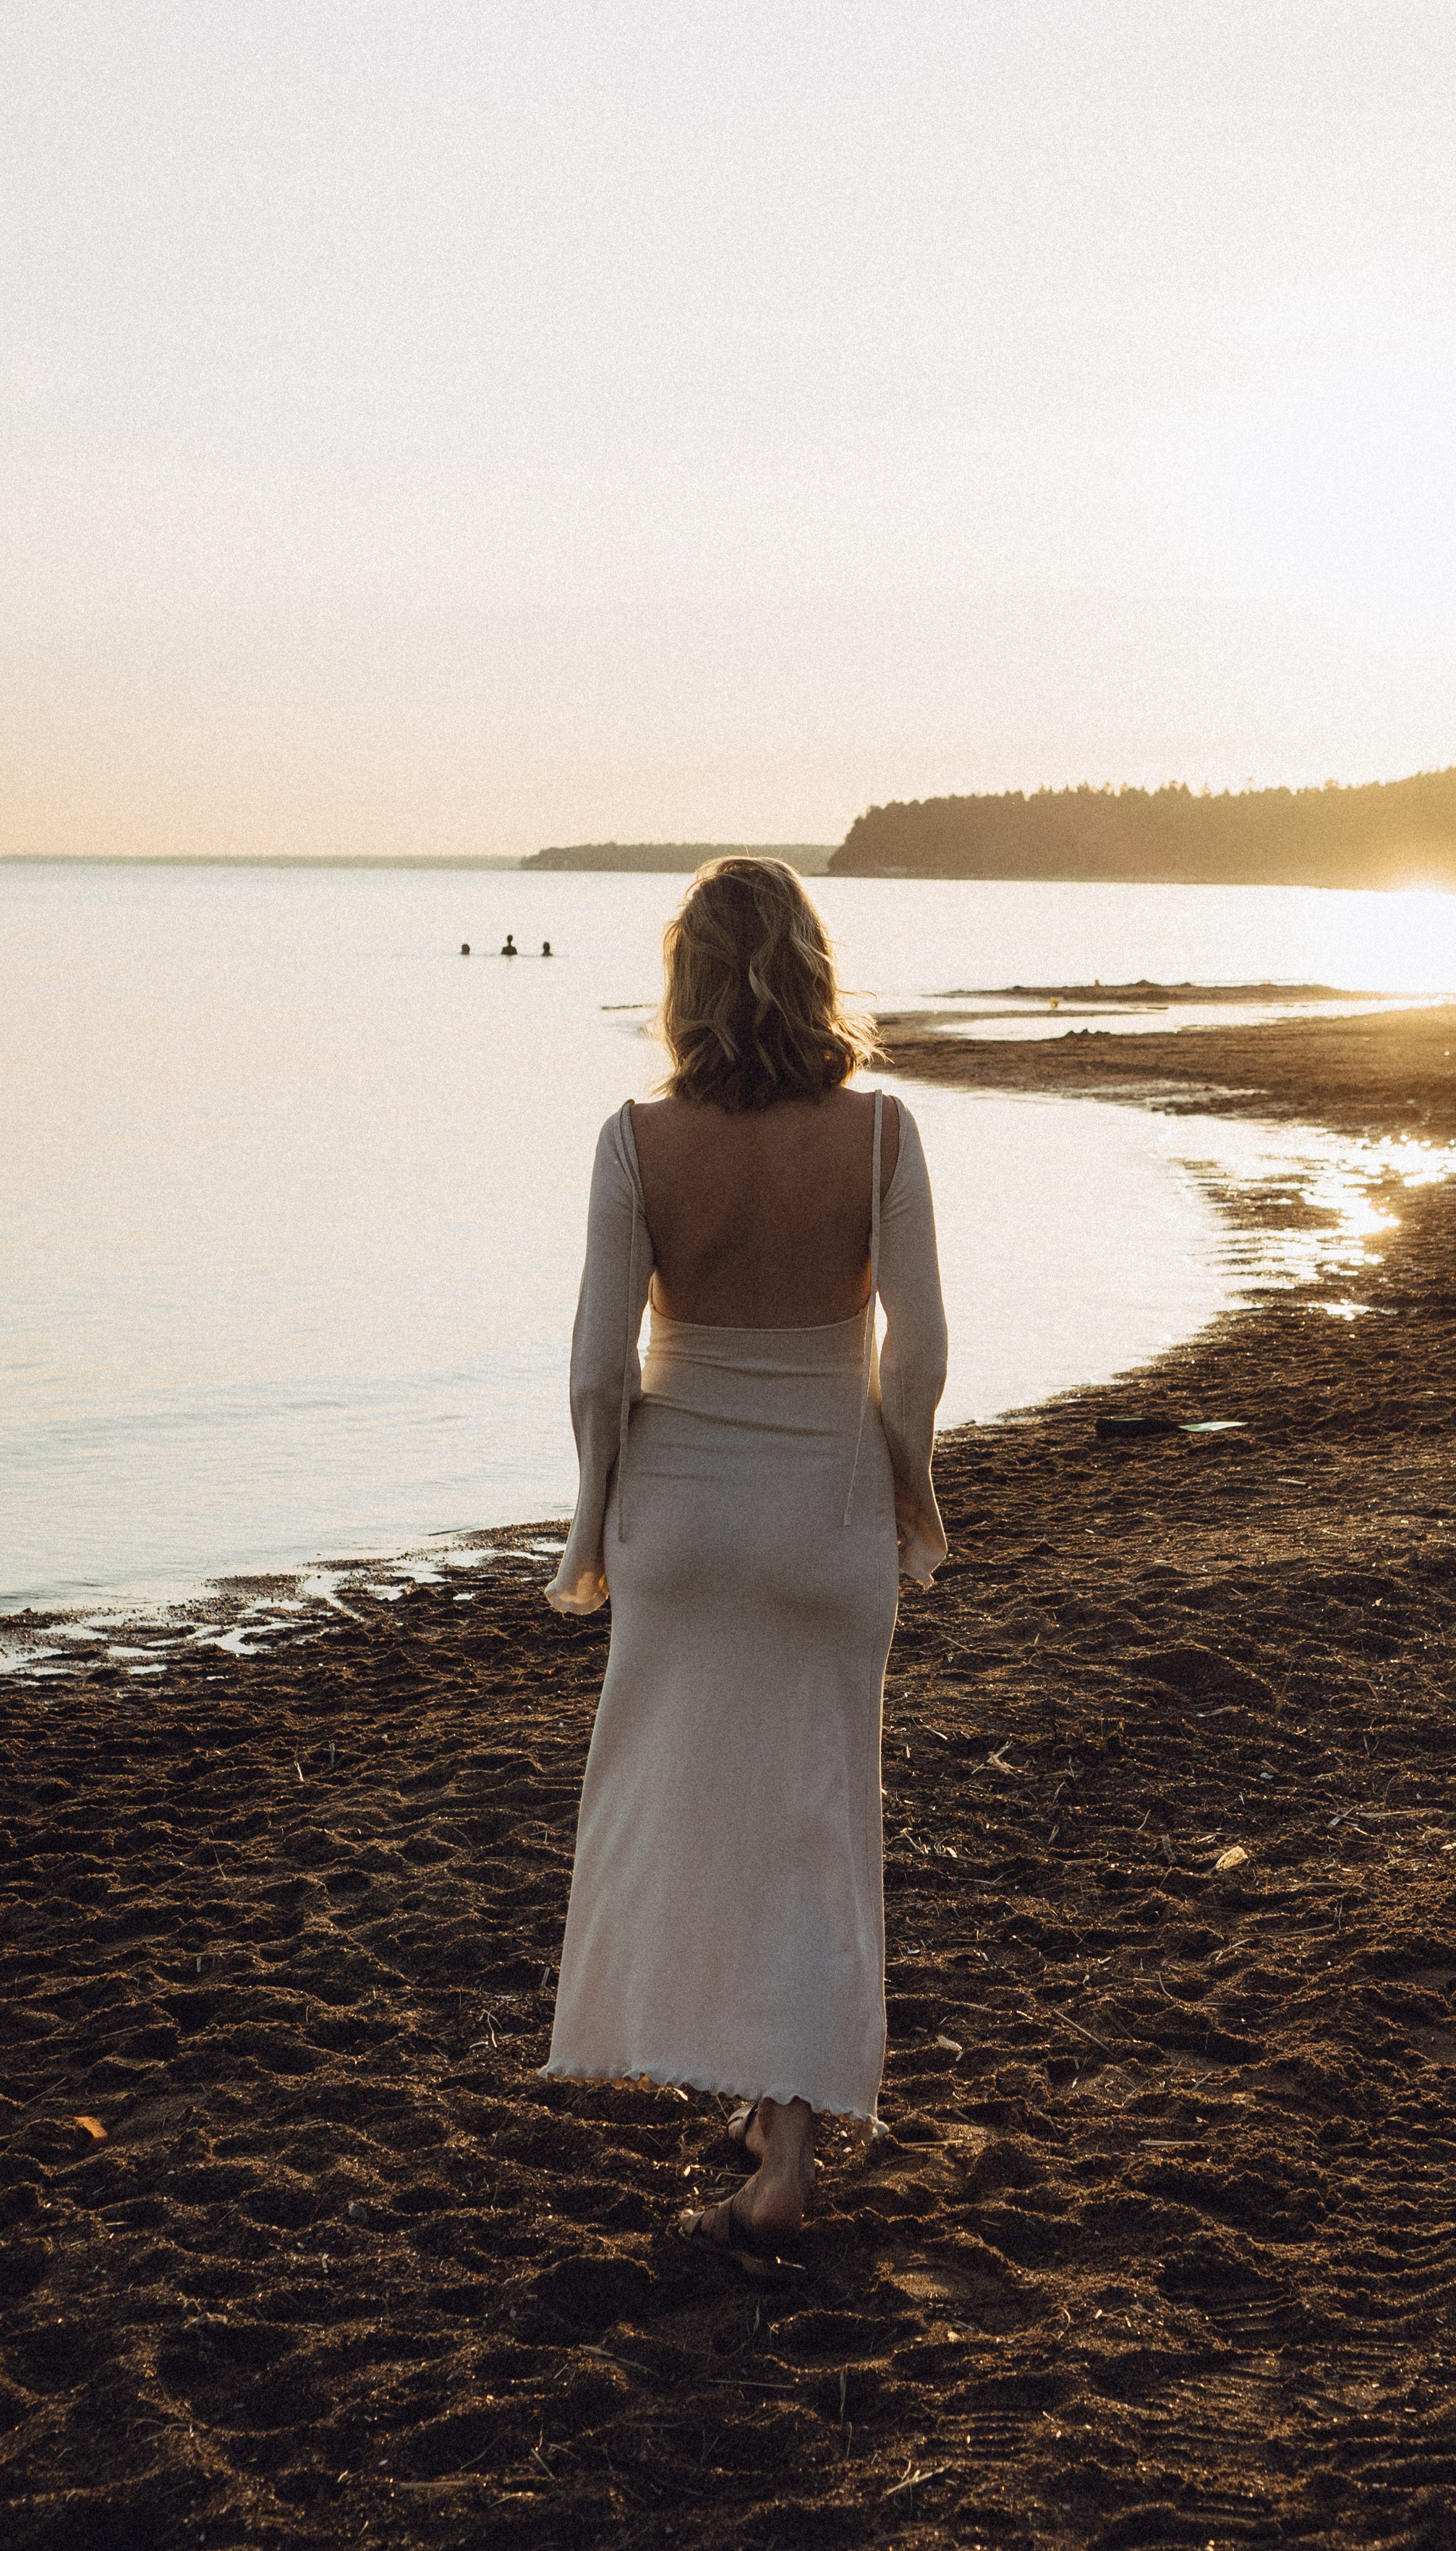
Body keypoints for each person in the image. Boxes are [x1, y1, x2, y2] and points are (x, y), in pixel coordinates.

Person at [540, 857, 948, 2250]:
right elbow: (918, 1355)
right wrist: (913, 1492)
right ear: (815, 968)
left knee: (692, 1812)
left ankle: (758, 2111)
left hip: (687, 1516)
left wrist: (596, 1521)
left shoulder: (633, 1141)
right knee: (812, 1814)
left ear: (685, 983)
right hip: (824, 1507)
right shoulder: (884, 1136)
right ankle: (785, 2137)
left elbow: (600, 1372)